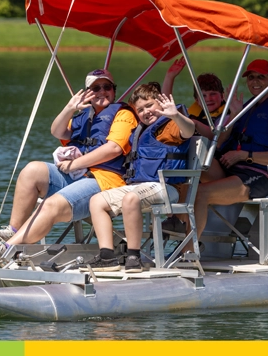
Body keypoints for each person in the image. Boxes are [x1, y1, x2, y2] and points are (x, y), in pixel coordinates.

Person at [0, 69, 138, 263]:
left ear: (114, 91)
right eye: (96, 88)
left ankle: (7, 249)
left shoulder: (123, 114)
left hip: (105, 180)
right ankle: (14, 231)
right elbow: (57, 131)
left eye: (107, 87)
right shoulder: (83, 117)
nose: (102, 91)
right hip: (78, 176)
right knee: (32, 170)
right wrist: (70, 108)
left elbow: (113, 148)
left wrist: (75, 164)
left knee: (51, 205)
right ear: (87, 92)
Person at [178, 59, 268, 252]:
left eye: (261, 77)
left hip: (259, 176)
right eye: (251, 77)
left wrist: (243, 155)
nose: (254, 81)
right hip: (232, 169)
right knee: (186, 174)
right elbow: (220, 141)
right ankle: (179, 223)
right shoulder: (246, 107)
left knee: (200, 193)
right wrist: (234, 114)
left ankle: (188, 253)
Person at [84, 83, 195, 272]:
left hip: (166, 188)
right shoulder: (140, 130)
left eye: (149, 106)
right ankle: (107, 256)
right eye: (140, 110)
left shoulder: (171, 125)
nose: (146, 112)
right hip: (139, 186)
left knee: (131, 199)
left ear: (160, 104)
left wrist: (175, 115)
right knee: (96, 201)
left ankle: (134, 257)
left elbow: (189, 131)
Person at [161, 57, 232, 137]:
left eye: (213, 94)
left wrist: (195, 123)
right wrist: (169, 77)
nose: (208, 99)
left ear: (222, 96)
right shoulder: (190, 114)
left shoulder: (227, 117)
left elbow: (216, 138)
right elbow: (167, 108)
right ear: (197, 100)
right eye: (203, 96)